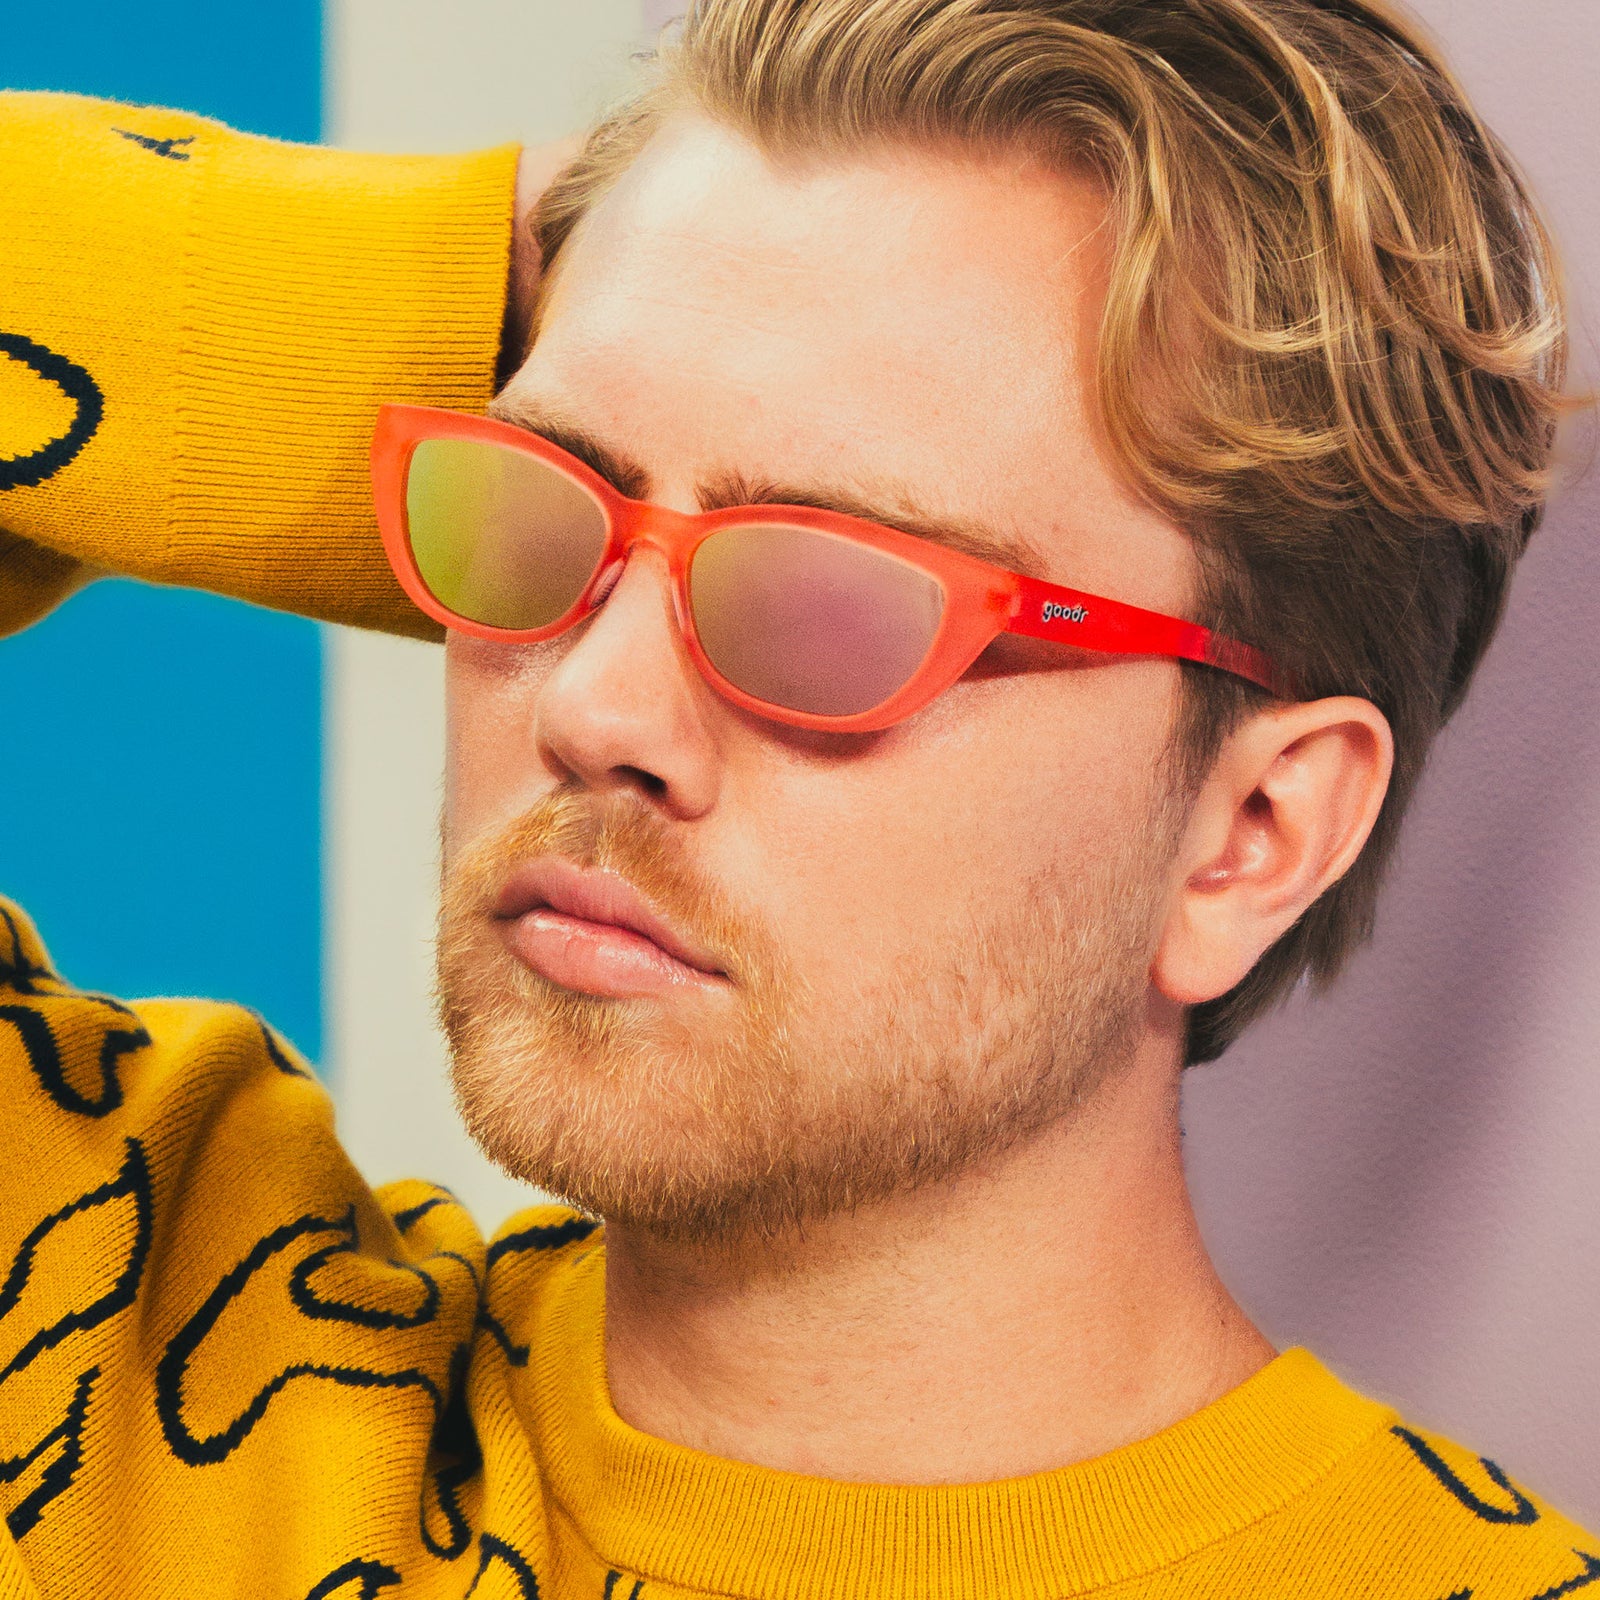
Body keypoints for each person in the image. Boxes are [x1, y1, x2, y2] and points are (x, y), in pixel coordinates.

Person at [0, 0, 1592, 1594]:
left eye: (833, 606)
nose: (592, 707)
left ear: (1253, 836)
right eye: (542, 514)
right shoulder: (106, 1360)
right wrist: (408, 297)